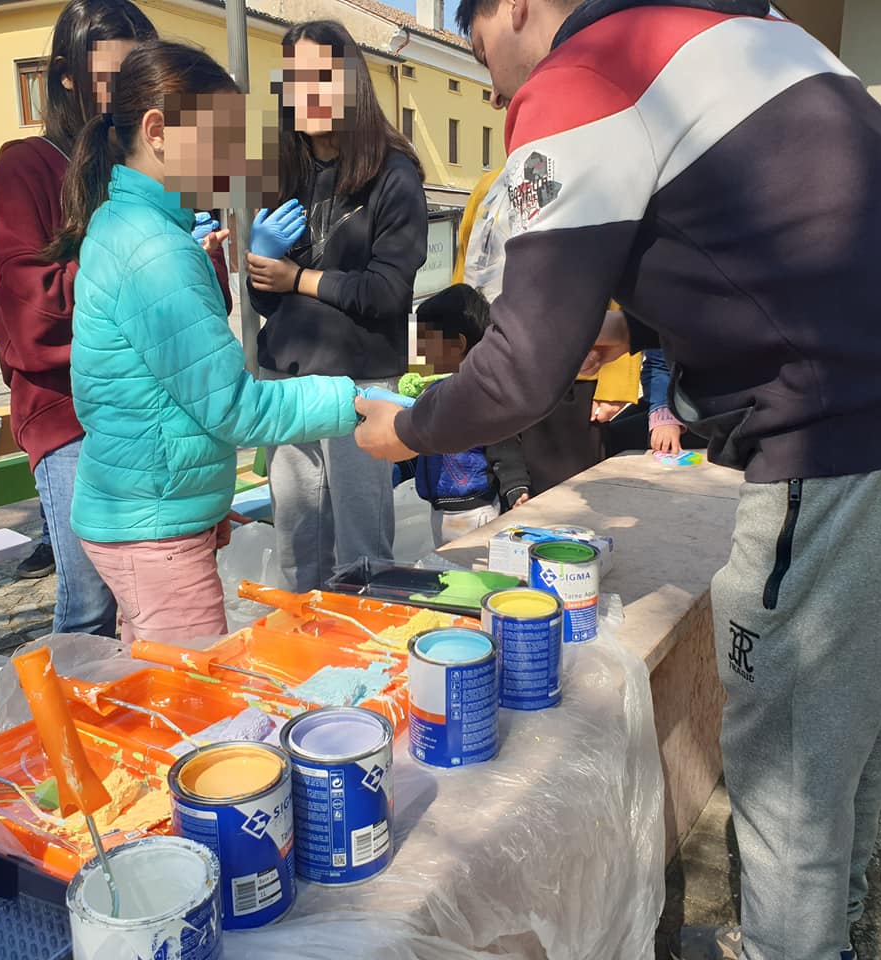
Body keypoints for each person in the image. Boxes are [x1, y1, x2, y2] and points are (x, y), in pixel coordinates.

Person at [354, 3, 881, 960]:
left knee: (789, 757)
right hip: (878, 418)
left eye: (483, 52)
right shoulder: (725, 30)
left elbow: (520, 368)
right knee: (853, 730)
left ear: (515, 8)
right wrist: (645, 330)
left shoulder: (585, 73)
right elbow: (771, 252)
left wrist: (409, 427)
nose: (493, 87)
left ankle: (791, 948)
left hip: (839, 437)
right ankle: (830, 933)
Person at [47, 39, 358, 645]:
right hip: (154, 530)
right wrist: (352, 402)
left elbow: (156, 398)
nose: (237, 161)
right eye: (223, 140)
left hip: (145, 512)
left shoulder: (127, 223)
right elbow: (232, 408)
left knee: (155, 694)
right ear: (158, 131)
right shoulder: (155, 252)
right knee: (195, 716)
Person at [0, 0, 159, 636]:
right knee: (90, 603)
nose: (123, 98)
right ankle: (60, 733)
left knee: (147, 605)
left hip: (146, 413)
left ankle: (125, 725)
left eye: (137, 79)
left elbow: (194, 302)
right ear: (66, 76)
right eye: (110, 80)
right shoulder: (27, 166)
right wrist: (135, 267)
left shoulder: (141, 165)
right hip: (70, 417)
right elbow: (23, 309)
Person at [246, 19, 428, 593]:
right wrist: (258, 264)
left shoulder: (393, 175)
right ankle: (303, 668)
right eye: (296, 79)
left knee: (362, 554)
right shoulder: (282, 171)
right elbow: (264, 300)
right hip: (288, 382)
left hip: (362, 384)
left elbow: (386, 293)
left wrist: (298, 276)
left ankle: (364, 665)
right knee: (297, 547)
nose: (309, 92)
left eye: (323, 76)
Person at [456, 167, 641, 493]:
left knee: (570, 498)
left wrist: (617, 381)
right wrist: (433, 357)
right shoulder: (489, 186)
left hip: (575, 370)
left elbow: (621, 276)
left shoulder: (590, 179)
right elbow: (464, 269)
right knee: (505, 494)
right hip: (496, 361)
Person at [411, 284, 530, 546]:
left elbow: (504, 443)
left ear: (458, 345)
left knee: (473, 571)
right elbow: (420, 446)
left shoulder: (480, 392)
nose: (418, 352)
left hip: (476, 512)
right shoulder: (433, 391)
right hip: (439, 510)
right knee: (449, 569)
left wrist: (516, 487)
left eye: (424, 342)